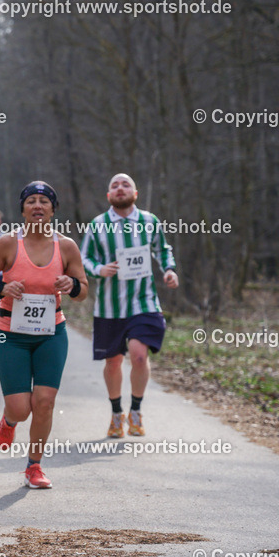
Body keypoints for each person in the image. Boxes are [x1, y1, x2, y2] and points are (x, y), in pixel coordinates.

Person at [0, 182, 88, 488]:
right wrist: (1, 288)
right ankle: (9, 421)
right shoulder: (8, 244)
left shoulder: (66, 247)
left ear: (53, 209)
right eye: (31, 201)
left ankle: (34, 466)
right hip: (10, 333)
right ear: (22, 209)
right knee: (20, 408)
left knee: (45, 401)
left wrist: (72, 286)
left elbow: (83, 289)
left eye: (44, 201)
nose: (37, 206)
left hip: (51, 333)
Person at [80, 173, 178, 437]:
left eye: (126, 184)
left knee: (138, 355)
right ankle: (116, 413)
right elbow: (84, 259)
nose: (120, 188)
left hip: (143, 302)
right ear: (109, 196)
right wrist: (100, 269)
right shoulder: (98, 225)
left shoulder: (149, 221)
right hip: (110, 307)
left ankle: (135, 411)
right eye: (114, 185)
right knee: (113, 362)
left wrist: (169, 270)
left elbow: (162, 249)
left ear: (135, 194)